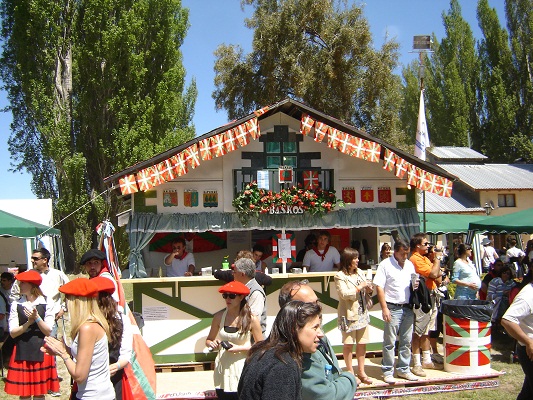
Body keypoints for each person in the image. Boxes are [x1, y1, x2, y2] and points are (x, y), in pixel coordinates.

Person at [278, 280, 357, 400]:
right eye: (311, 305)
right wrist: (349, 379)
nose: (318, 308)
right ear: (292, 312)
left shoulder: (320, 336)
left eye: (317, 302)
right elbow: (325, 395)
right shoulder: (299, 351)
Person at [42, 278, 115, 400]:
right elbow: (87, 357)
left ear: (76, 302)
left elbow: (79, 376)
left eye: (67, 299)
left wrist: (63, 353)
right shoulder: (90, 324)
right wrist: (63, 349)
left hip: (94, 396)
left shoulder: (87, 328)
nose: (65, 304)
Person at [237, 301, 323, 400]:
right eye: (315, 327)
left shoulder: (260, 351)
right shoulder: (283, 364)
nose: (320, 334)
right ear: (294, 329)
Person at [4, 270, 60, 399]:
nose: (19, 285)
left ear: (32, 285)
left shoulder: (46, 302)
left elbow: (48, 331)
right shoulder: (16, 304)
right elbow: (13, 333)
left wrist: (37, 319)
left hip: (41, 348)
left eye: (22, 283)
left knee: (40, 392)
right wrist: (28, 322)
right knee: (24, 393)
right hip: (22, 349)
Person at [205, 281, 262, 399]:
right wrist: (213, 343)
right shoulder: (218, 317)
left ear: (241, 297)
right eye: (225, 296)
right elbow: (209, 339)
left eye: (232, 296)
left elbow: (261, 345)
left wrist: (240, 348)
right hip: (223, 366)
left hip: (241, 367)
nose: (227, 299)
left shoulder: (252, 319)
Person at [374, 239, 419, 383]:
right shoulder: (385, 265)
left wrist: (416, 285)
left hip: (407, 306)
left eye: (407, 253)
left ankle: (403, 369)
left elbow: (413, 283)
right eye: (402, 254)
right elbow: (379, 287)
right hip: (392, 306)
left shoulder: (410, 265)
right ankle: (387, 370)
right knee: (390, 341)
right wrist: (384, 308)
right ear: (396, 252)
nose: (405, 256)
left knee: (406, 340)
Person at [11, 248, 69, 340]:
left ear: (45, 260)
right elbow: (14, 293)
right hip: (27, 319)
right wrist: (18, 307)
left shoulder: (57, 274)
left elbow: (70, 292)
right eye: (32, 258)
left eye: (35, 258)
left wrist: (63, 308)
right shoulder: (26, 275)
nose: (32, 261)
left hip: (51, 317)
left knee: (49, 345)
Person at [334, 247, 373, 385]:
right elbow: (344, 295)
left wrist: (368, 289)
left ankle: (362, 372)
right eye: (354, 258)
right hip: (348, 314)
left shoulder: (361, 272)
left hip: (362, 312)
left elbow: (367, 290)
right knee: (348, 344)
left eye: (357, 258)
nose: (357, 260)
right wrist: (359, 287)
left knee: (362, 343)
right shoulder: (340, 276)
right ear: (348, 260)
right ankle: (351, 372)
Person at [92, 276, 134, 399]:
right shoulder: (89, 319)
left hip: (115, 376)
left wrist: (116, 366)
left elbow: (126, 353)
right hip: (92, 378)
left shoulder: (122, 319)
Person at [408, 234, 444, 377]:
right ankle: (416, 363)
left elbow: (439, 278)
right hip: (422, 297)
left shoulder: (425, 258)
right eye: (426, 243)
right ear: (418, 245)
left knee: (427, 330)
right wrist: (438, 260)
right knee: (418, 330)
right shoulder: (415, 259)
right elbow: (434, 273)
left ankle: (427, 359)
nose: (428, 246)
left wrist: (435, 262)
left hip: (432, 295)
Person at [501, 281, 533, 400]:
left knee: (528, 394)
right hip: (529, 350)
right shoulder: (528, 295)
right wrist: (529, 342)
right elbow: (508, 320)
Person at [232, 257, 267, 335]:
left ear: (242, 274)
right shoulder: (241, 288)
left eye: (234, 272)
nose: (232, 274)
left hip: (253, 340)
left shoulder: (256, 292)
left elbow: (253, 320)